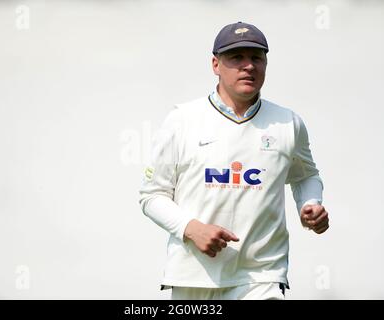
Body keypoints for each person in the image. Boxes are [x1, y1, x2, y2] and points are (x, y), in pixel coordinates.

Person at [139, 21, 329, 300]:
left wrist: (311, 204)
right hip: (194, 276)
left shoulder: (287, 122)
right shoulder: (182, 120)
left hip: (262, 277)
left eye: (256, 58)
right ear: (216, 65)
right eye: (236, 57)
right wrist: (192, 229)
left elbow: (305, 176)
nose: (248, 66)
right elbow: (152, 195)